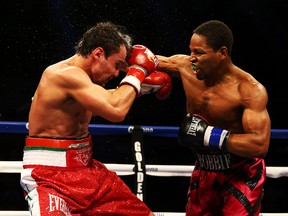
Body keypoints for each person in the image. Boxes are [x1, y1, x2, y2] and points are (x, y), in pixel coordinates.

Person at [20, 21, 171, 216]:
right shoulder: (63, 75)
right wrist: (138, 72)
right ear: (98, 53)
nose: (117, 73)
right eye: (116, 65)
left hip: (87, 170)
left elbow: (105, 102)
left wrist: (144, 89)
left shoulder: (83, 83)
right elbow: (115, 110)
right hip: (50, 176)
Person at [157, 20, 270, 215]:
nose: (192, 58)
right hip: (205, 169)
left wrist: (208, 135)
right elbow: (143, 59)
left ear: (222, 53)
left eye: (199, 52)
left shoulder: (249, 89)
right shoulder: (186, 68)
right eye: (191, 51)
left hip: (242, 173)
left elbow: (260, 145)